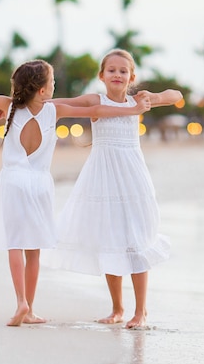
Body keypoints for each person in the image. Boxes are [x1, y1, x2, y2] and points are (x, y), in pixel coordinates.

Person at [0, 59, 151, 327]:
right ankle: (29, 310)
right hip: (40, 185)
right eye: (52, 83)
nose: (54, 87)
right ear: (42, 91)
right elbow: (98, 109)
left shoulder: (12, 107)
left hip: (13, 181)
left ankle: (22, 303)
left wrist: (3, 100)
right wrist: (132, 111)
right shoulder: (55, 110)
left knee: (14, 245)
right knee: (34, 250)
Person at [42, 49, 183, 329]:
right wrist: (21, 102)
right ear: (102, 76)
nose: (117, 75)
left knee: (136, 239)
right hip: (103, 176)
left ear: (132, 77)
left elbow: (176, 96)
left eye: (123, 71)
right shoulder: (97, 100)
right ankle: (117, 308)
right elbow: (60, 103)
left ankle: (140, 311)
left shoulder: (137, 101)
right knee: (110, 238)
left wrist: (152, 98)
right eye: (112, 70)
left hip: (133, 177)